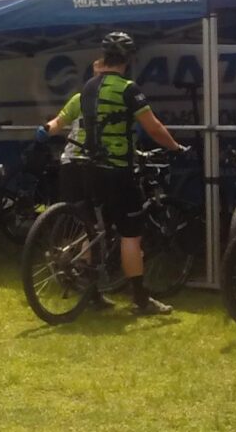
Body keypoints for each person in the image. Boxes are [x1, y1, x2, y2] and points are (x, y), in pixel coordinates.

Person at [44, 30, 187, 315]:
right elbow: (153, 127)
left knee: (91, 227)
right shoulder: (128, 89)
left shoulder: (85, 89)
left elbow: (57, 122)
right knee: (129, 234)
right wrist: (175, 147)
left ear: (103, 58)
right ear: (128, 59)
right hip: (114, 169)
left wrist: (44, 130)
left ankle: (92, 294)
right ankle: (140, 300)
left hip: (78, 168)